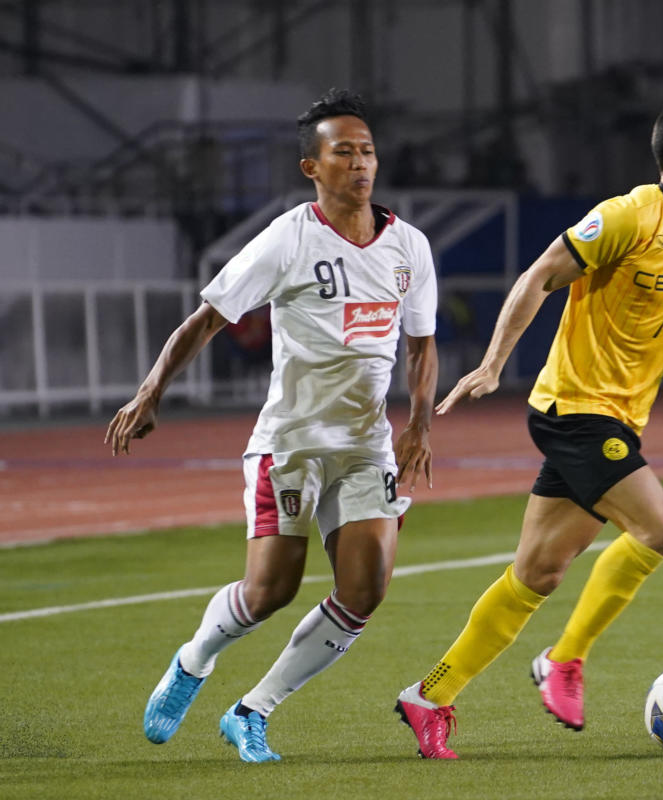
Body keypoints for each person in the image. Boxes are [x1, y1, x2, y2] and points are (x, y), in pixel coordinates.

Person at [393, 94, 663, 759]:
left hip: (620, 419)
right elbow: (541, 273)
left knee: (536, 575)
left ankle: (429, 695)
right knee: (660, 530)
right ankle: (564, 660)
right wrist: (491, 366)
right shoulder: (627, 217)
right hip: (573, 408)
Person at [104, 89, 439, 762]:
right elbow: (208, 316)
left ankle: (251, 711)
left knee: (366, 589)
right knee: (269, 592)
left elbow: (421, 345)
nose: (360, 163)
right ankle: (194, 661)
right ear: (311, 167)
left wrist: (419, 425)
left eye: (367, 150)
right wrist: (150, 392)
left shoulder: (409, 245)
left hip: (364, 447)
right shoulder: (290, 237)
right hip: (289, 445)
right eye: (342, 152)